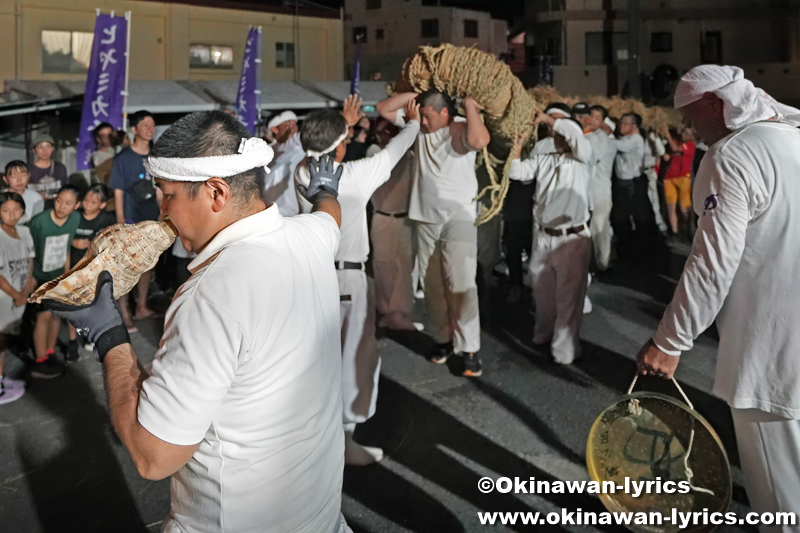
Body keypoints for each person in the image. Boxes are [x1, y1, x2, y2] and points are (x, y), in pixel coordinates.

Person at [49, 110, 351, 533]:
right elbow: (330, 215)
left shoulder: (212, 294)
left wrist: (108, 335)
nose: (162, 210)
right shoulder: (311, 237)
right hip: (318, 518)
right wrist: (322, 191)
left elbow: (153, 456)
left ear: (216, 193)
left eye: (167, 194)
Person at [637, 64, 800, 529]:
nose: (690, 129)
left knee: (781, 501)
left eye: (690, 117)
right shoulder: (793, 138)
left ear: (714, 104)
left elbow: (712, 262)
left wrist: (670, 341)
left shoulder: (731, 155)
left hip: (772, 354)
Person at [297, 97, 420, 465]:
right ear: (343, 144)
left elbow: (318, 150)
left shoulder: (302, 173)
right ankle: (345, 440)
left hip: (312, 278)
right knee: (355, 357)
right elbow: (397, 149)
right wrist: (413, 121)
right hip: (347, 279)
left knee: (315, 359)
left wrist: (342, 125)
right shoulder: (355, 176)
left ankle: (315, 435)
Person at [377, 90, 491, 377]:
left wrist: (468, 105)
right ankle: (443, 339)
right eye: (422, 116)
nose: (424, 122)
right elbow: (383, 108)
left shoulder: (461, 127)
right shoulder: (418, 127)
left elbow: (480, 141)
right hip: (425, 219)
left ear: (444, 113)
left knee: (461, 282)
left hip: (459, 217)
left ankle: (469, 349)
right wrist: (416, 94)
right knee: (432, 286)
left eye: (429, 116)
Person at [509, 113, 593, 365]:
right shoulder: (544, 160)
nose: (557, 138)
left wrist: (548, 118)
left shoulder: (583, 159)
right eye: (555, 134)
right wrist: (516, 147)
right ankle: (544, 332)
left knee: (569, 296)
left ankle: (564, 350)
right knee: (542, 291)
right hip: (544, 236)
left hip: (572, 237)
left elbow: (576, 137)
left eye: (561, 134)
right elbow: (517, 172)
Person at [108, 110, 159, 326]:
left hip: (151, 219)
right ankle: (125, 312)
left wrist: (163, 215)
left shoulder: (157, 157)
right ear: (134, 129)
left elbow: (160, 189)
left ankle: (141, 307)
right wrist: (120, 224)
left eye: (152, 125)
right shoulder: (123, 158)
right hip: (130, 219)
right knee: (128, 267)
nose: (150, 129)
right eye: (145, 125)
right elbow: (117, 192)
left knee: (147, 266)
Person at [368, 120, 419, 330]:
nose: (388, 135)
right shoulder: (374, 153)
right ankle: (386, 312)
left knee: (404, 268)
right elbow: (389, 167)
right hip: (383, 218)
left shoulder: (409, 155)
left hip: (405, 219)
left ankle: (401, 314)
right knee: (384, 266)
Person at [28, 185, 81, 378]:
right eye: (58, 201)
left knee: (57, 315)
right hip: (41, 277)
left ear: (76, 205)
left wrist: (66, 275)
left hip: (60, 276)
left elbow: (66, 245)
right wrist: (30, 277)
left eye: (68, 203)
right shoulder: (39, 222)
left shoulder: (75, 219)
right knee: (43, 317)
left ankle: (50, 352)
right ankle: (40, 360)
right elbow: (28, 250)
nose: (61, 207)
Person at [67, 183, 115, 359]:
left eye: (93, 202)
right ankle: (72, 341)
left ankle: (91, 337)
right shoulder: (74, 216)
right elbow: (62, 235)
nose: (87, 204)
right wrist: (73, 243)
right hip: (73, 268)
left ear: (102, 205)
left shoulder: (108, 219)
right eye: (86, 199)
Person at [0, 192, 35, 404]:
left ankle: (2, 377)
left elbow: (30, 262)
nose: (11, 215)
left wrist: (27, 288)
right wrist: (17, 295)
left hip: (19, 297)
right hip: (5, 298)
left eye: (16, 210)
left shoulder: (25, 231)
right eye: (5, 210)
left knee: (4, 339)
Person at [609, 113, 655, 251]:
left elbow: (622, 146)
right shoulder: (627, 138)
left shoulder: (635, 139)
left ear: (634, 126)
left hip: (632, 183)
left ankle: (638, 247)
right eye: (620, 123)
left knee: (628, 215)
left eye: (625, 123)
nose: (620, 126)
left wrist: (601, 136)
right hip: (626, 182)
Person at [589, 108, 616, 271]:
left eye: (596, 117)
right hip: (589, 192)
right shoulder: (590, 135)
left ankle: (603, 264)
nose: (591, 119)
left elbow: (593, 156)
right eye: (590, 115)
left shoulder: (602, 139)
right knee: (593, 230)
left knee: (600, 229)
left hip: (600, 192)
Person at [263, 110, 304, 216]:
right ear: (275, 129)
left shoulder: (299, 147)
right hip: (269, 213)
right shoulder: (264, 152)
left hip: (294, 213)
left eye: (295, 124)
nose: (293, 128)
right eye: (288, 124)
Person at [663, 127, 696, 237]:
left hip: (683, 178)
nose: (683, 135)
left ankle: (689, 228)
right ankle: (675, 232)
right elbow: (669, 155)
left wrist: (667, 135)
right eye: (683, 132)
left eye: (687, 133)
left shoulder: (691, 145)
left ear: (692, 137)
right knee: (671, 207)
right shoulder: (678, 143)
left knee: (684, 208)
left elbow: (675, 148)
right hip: (669, 178)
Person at [29, 133, 68, 203]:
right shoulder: (27, 169)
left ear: (52, 149)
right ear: (34, 150)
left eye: (48, 147)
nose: (45, 151)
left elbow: (65, 191)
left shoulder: (60, 168)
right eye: (41, 147)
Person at [3, 161, 44, 225]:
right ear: (5, 179)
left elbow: (36, 222)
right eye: (14, 176)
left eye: (23, 175)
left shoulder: (36, 198)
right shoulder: (1, 197)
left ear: (28, 176)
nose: (19, 180)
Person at [643, 130, 668, 234]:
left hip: (650, 172)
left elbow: (661, 152)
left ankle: (659, 225)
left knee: (654, 200)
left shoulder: (652, 137)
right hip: (637, 173)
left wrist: (655, 138)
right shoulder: (636, 136)